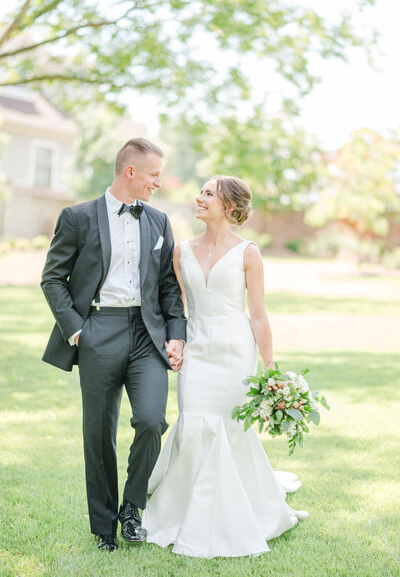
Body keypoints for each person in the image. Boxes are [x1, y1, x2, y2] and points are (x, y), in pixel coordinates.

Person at [142, 175, 308, 558]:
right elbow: (174, 306)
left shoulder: (249, 252)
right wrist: (175, 340)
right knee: (195, 419)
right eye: (200, 192)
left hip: (235, 350)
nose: (198, 198)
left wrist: (270, 367)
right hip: (197, 348)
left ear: (229, 207)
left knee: (229, 426)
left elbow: (259, 316)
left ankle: (241, 508)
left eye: (208, 194)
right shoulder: (181, 251)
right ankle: (183, 508)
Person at [41, 138, 186, 552]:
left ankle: (132, 508)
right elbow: (53, 278)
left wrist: (176, 333)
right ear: (131, 172)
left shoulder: (159, 222)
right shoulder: (78, 217)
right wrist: (78, 331)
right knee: (98, 432)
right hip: (97, 328)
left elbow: (167, 287)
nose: (158, 182)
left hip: (146, 332)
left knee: (152, 419)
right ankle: (104, 525)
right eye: (154, 175)